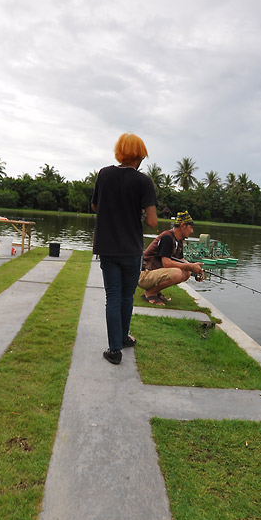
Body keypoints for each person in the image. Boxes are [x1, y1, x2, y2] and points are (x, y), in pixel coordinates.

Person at [91, 133, 158, 364]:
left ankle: (114, 350)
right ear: (139, 156)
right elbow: (152, 222)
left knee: (113, 296)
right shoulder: (143, 181)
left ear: (119, 153)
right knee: (126, 296)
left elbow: (95, 206)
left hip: (108, 248)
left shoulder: (104, 174)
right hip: (132, 249)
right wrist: (137, 212)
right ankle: (123, 339)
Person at [139, 210, 204, 304]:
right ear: (183, 225)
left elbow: (181, 260)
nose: (192, 231)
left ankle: (156, 292)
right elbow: (167, 263)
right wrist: (190, 266)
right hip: (144, 274)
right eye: (190, 227)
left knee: (186, 273)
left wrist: (195, 269)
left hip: (153, 272)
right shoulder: (167, 238)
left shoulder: (179, 240)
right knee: (177, 273)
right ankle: (150, 293)